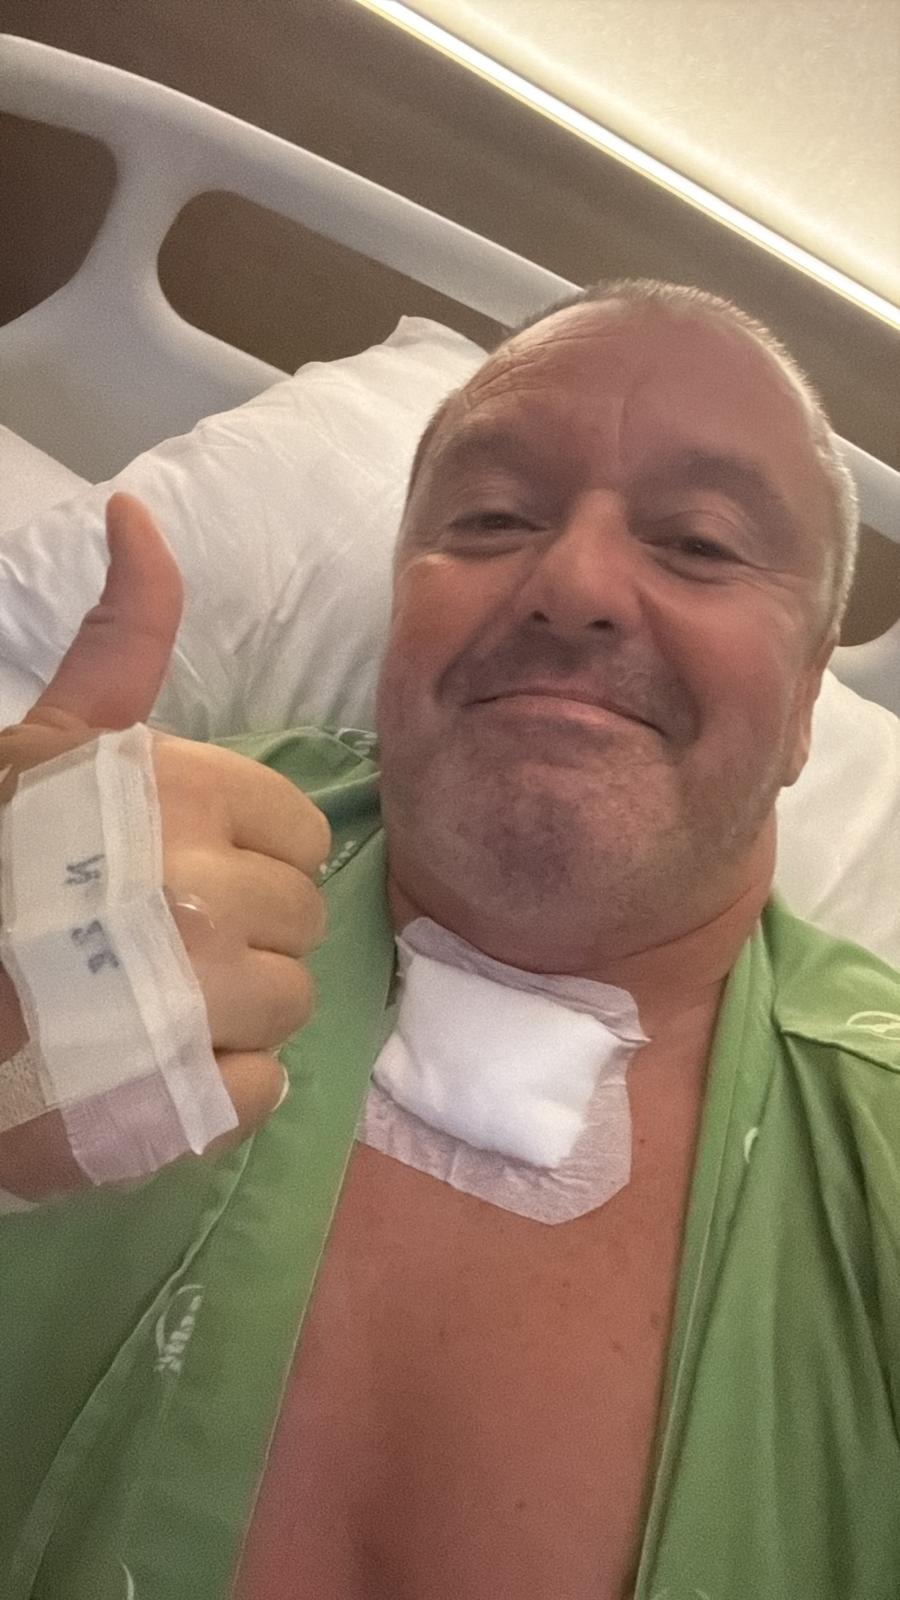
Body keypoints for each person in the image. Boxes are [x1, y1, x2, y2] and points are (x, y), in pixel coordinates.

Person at [0, 280, 899, 1600]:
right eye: (491, 518)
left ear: (810, 697)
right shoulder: (72, 870)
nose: (573, 583)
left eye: (700, 544)